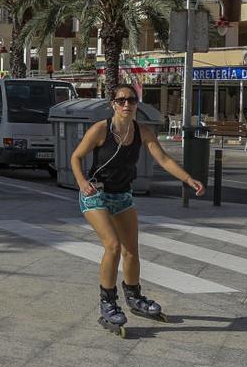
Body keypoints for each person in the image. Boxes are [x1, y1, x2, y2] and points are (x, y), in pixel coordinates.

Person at [70, 84, 205, 338]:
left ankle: (134, 296)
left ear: (136, 104)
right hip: (95, 194)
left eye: (131, 100)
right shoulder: (100, 130)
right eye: (121, 100)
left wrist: (188, 179)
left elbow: (163, 159)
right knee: (113, 246)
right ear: (113, 104)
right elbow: (76, 157)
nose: (126, 105)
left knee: (131, 249)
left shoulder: (142, 131)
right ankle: (108, 303)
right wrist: (81, 182)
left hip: (122, 196)